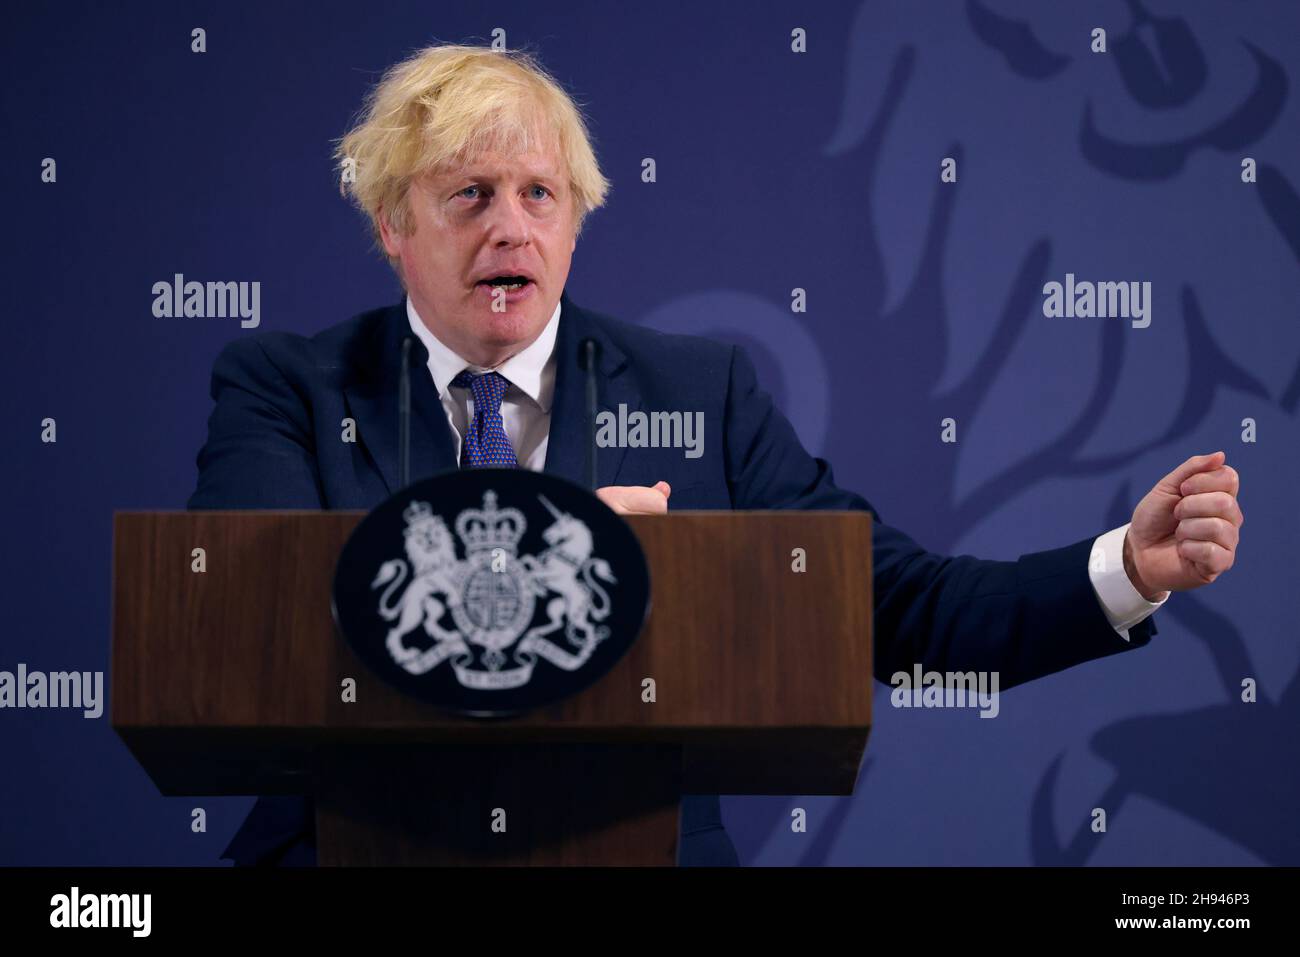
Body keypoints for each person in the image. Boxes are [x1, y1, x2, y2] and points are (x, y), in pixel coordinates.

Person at [187, 44, 1244, 867]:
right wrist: (583, 551)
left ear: (575, 221)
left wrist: (1125, 569)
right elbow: (259, 608)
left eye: (538, 195)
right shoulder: (289, 386)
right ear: (391, 224)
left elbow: (896, 608)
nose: (509, 228)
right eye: (468, 195)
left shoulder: (698, 393)